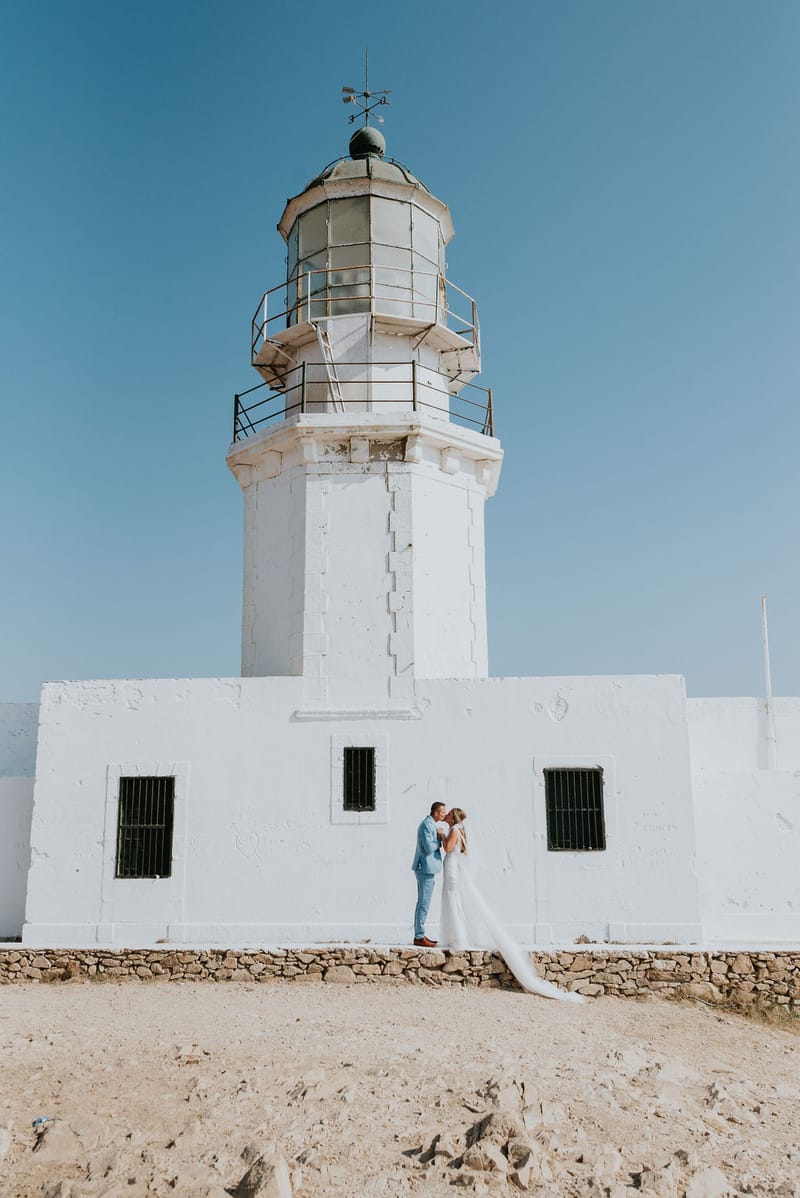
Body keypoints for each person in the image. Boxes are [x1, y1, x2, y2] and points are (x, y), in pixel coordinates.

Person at [439, 808, 585, 1004]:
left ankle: (458, 938)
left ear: (453, 817)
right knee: (454, 900)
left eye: (448, 813)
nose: (446, 815)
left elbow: (449, 848)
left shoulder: (455, 829)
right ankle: (457, 936)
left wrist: (441, 836)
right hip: (453, 866)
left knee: (453, 899)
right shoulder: (460, 828)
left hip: (451, 866)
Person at [411, 802, 447, 947]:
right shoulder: (427, 825)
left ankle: (420, 935)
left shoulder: (430, 824)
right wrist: (440, 838)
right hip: (424, 868)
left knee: (424, 902)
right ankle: (419, 936)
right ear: (436, 813)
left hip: (428, 868)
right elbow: (428, 847)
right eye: (443, 812)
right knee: (423, 903)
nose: (445, 814)